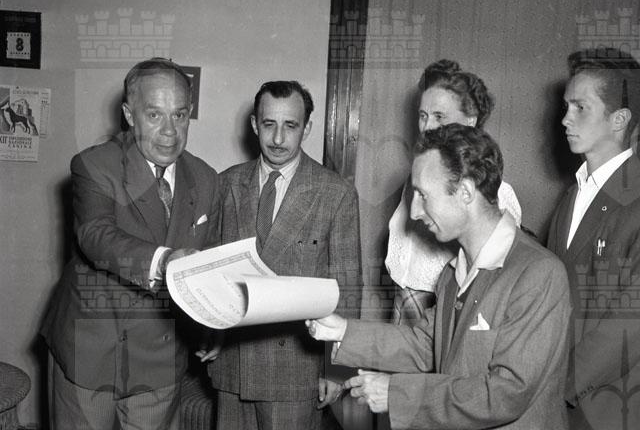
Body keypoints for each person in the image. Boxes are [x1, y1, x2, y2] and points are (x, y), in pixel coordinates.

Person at [308, 124, 572, 430]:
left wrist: (397, 394)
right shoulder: (452, 274)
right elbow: (425, 345)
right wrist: (342, 330)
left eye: (422, 195)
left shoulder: (538, 274)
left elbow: (506, 394)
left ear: (465, 192)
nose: (414, 212)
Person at [40, 58, 221, 429]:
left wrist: (212, 325)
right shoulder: (95, 165)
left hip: (160, 357)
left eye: (180, 115)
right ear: (128, 115)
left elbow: (208, 260)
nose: (169, 131)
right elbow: (96, 236)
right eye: (154, 115)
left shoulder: (206, 178)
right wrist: (166, 261)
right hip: (89, 353)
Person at [204, 80, 362, 429]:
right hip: (232, 365)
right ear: (254, 124)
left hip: (295, 371)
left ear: (307, 128)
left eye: (290, 126)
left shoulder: (334, 193)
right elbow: (212, 273)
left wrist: (338, 368)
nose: (278, 138)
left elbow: (348, 289)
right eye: (268, 124)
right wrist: (210, 334)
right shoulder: (226, 184)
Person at [386, 59, 522, 326]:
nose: (427, 127)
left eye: (439, 116)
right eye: (423, 116)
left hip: (444, 309)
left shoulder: (497, 195)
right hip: (404, 301)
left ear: (470, 121)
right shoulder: (417, 180)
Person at [547, 47, 640, 429]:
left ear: (619, 119)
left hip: (610, 407)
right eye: (566, 106)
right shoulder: (572, 195)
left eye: (580, 107)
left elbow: (629, 325)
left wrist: (560, 386)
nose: (565, 118)